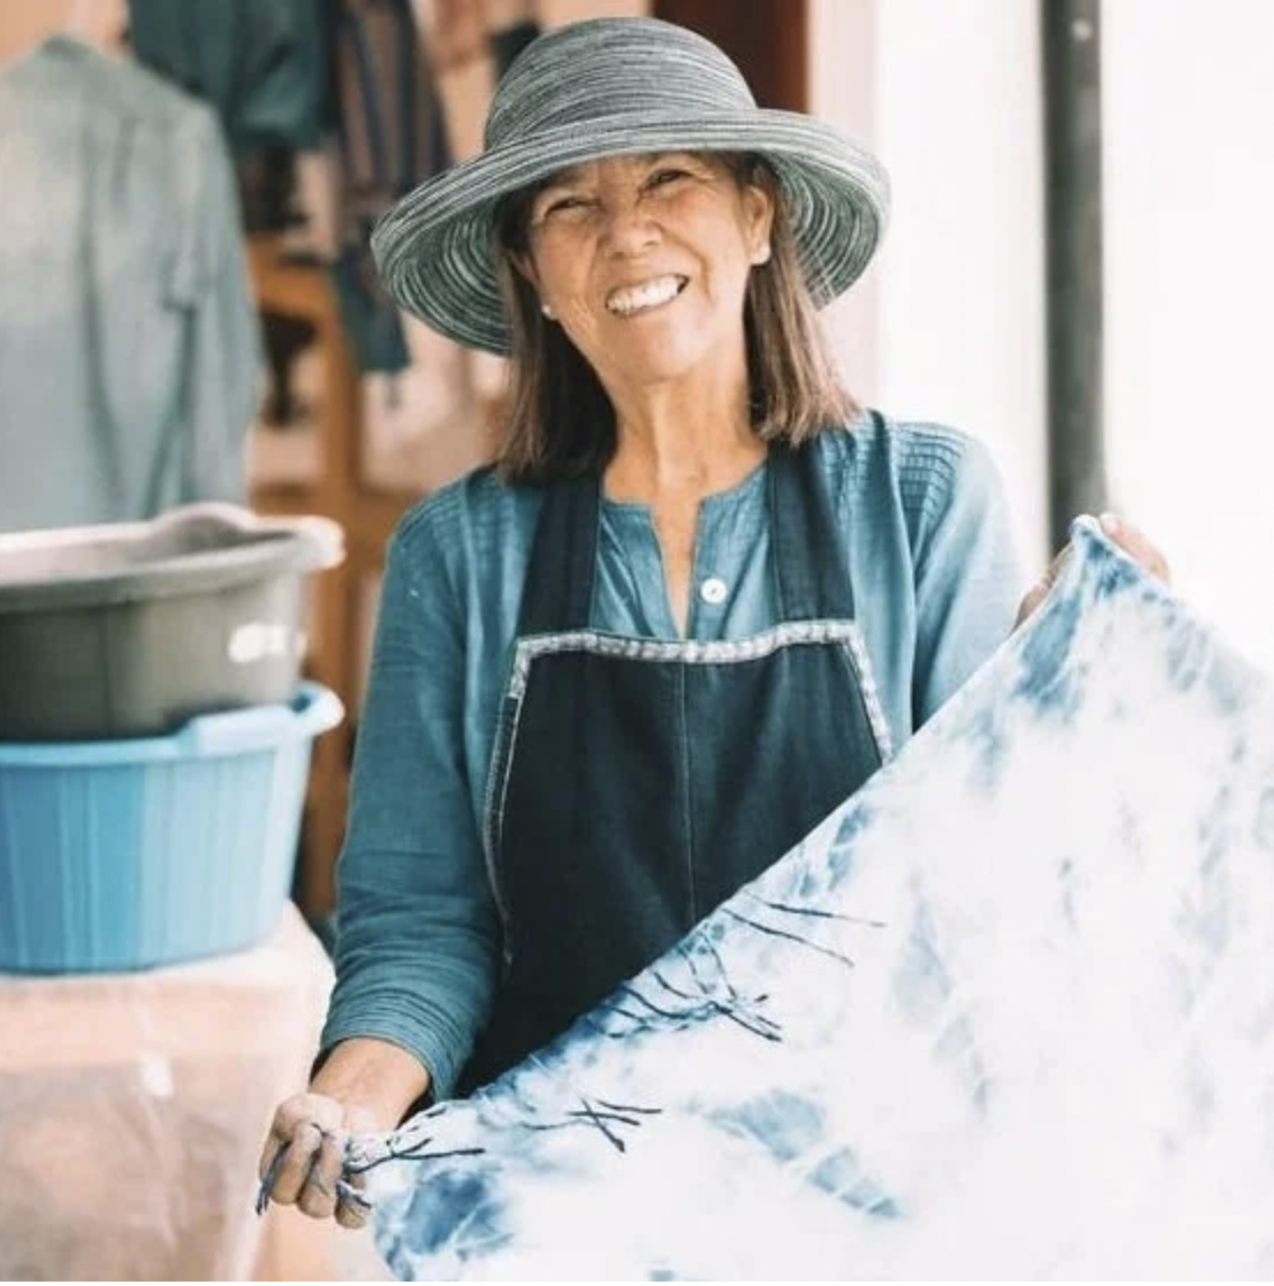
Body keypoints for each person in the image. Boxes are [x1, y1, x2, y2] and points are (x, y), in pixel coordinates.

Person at [258, 16, 1169, 1227]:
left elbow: (980, 884)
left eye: (668, 178)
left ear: (756, 216)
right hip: (560, 1213)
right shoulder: (462, 552)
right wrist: (351, 1099)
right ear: (530, 268)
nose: (625, 230)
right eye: (568, 206)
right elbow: (423, 927)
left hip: (856, 1198)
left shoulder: (920, 499)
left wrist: (1077, 690)